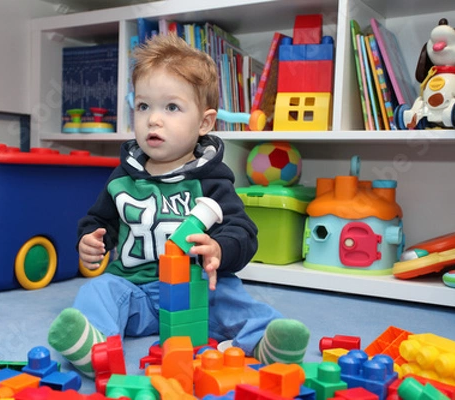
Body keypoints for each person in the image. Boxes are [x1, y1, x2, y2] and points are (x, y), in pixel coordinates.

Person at [47, 33, 309, 377]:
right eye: (143, 106)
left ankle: (265, 341)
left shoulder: (212, 179)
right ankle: (95, 349)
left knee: (232, 297)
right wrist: (91, 240)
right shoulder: (122, 177)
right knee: (98, 290)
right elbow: (99, 220)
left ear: (204, 122)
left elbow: (243, 232)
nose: (154, 119)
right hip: (134, 292)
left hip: (196, 294)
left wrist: (219, 248)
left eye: (171, 107)